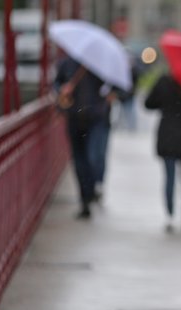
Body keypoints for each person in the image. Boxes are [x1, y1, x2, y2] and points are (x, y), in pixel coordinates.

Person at [54, 55, 114, 219]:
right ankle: (85, 199)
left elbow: (111, 87)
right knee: (79, 161)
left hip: (95, 119)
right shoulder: (66, 64)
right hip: (74, 117)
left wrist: (110, 93)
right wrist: (62, 89)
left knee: (92, 156)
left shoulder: (100, 65)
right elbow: (56, 83)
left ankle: (93, 188)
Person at [144, 73, 181, 231]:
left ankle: (169, 215)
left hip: (168, 136)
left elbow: (148, 104)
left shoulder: (163, 81)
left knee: (169, 177)